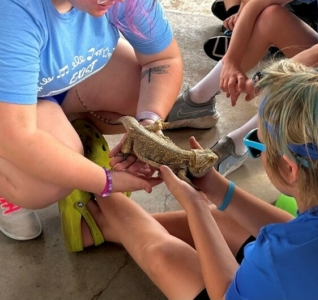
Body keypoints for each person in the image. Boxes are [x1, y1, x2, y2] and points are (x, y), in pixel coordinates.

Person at [81, 60, 318, 299]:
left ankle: (98, 200)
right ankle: (101, 225)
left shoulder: (280, 262)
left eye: (255, 143)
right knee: (229, 220)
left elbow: (224, 292)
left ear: (290, 169)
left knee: (163, 255)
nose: (253, 149)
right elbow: (290, 232)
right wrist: (215, 188)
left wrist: (195, 206)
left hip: (288, 279)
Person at [0, 0, 182, 244]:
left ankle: (57, 139)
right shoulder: (11, 10)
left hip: (49, 81)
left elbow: (162, 59)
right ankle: (10, 176)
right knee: (45, 187)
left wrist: (147, 124)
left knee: (144, 95)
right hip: (9, 110)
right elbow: (17, 136)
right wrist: (105, 181)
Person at [166, 0, 318, 177]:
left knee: (317, 71)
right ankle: (198, 101)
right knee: (271, 16)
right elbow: (258, 3)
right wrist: (232, 61)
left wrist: (263, 78)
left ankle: (240, 142)